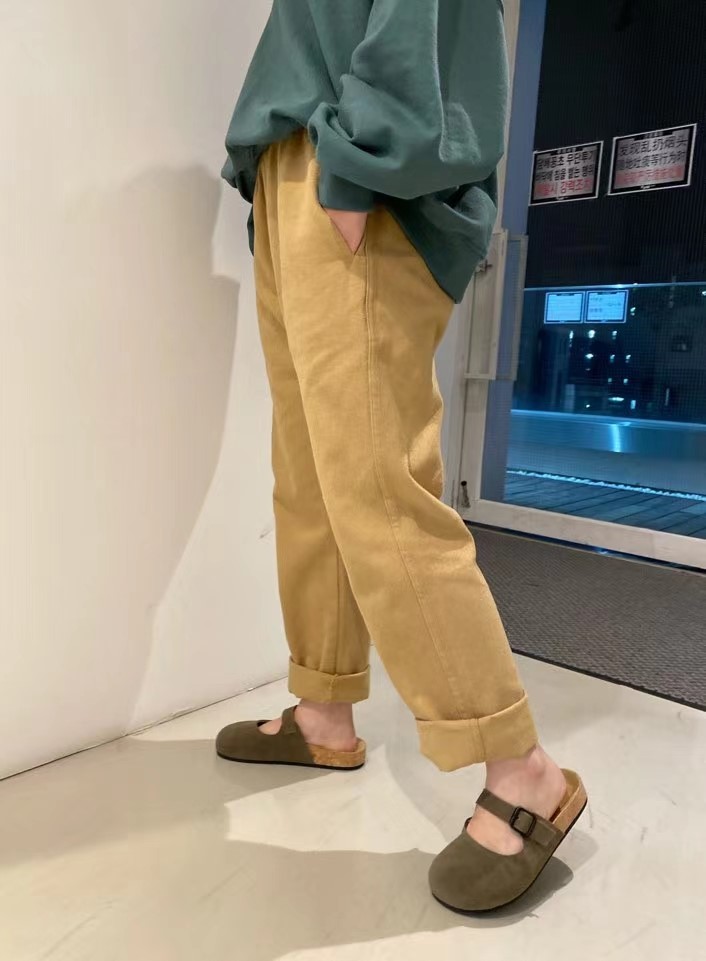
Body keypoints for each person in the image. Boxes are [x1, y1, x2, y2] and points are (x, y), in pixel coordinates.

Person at [217, 0, 586, 913]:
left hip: (358, 169)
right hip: (299, 163)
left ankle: (524, 770)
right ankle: (323, 709)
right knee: (309, 479)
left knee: (379, 489)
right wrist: (275, 173)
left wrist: (355, 166)